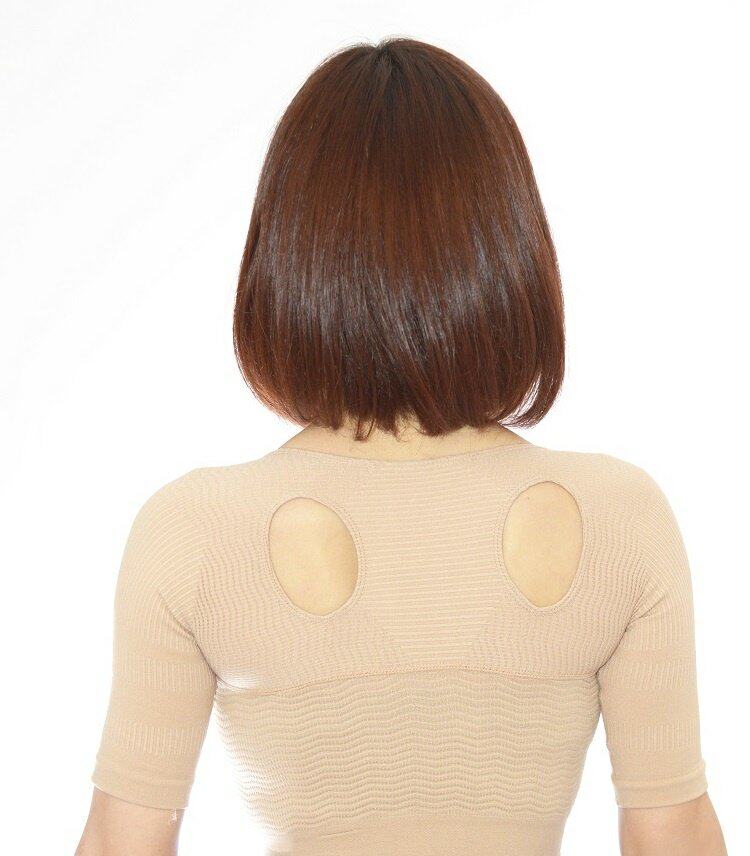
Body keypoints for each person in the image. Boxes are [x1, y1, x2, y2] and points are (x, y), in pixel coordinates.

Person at [75, 37, 726, 856]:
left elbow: (120, 842)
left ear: (288, 255)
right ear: (509, 245)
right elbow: (674, 835)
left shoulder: (193, 529)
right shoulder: (621, 517)